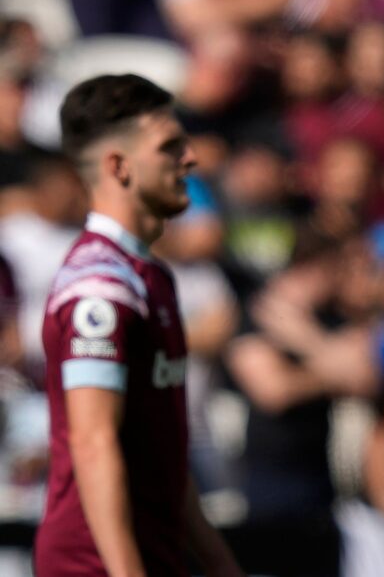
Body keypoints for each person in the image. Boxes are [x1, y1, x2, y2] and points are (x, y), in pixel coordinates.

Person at [33, 74, 242, 577]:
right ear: (118, 166)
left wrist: (220, 564)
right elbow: (93, 442)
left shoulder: (152, 277)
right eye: (170, 147)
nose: (190, 159)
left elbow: (164, 454)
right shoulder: (98, 291)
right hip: (91, 565)